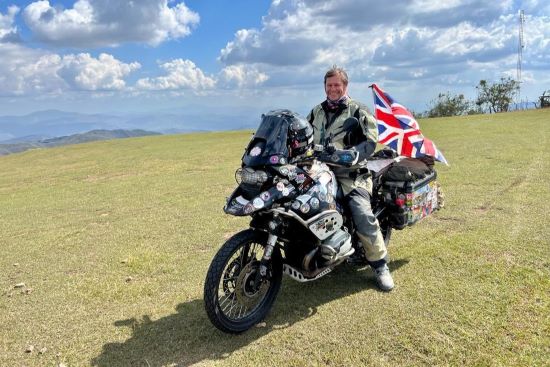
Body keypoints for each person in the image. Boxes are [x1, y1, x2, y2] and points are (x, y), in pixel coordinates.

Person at [307, 66, 394, 291]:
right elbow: (303, 135)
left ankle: (379, 264)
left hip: (351, 174)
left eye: (337, 85)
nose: (333, 89)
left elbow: (370, 141)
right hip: (319, 170)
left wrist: (354, 154)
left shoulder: (358, 110)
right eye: (329, 85)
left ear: (345, 86)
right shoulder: (316, 111)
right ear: (325, 87)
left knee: (361, 211)